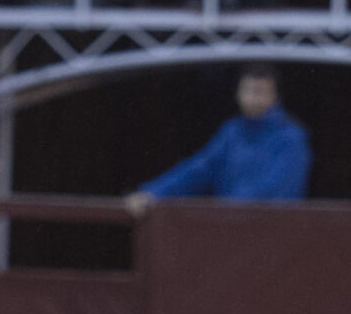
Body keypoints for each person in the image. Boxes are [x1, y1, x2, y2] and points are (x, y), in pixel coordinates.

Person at [123, 65, 310, 208]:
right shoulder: (232, 132)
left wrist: (229, 208)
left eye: (260, 92)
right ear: (238, 94)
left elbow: (280, 189)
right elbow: (199, 169)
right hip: (229, 229)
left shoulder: (291, 137)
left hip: (273, 233)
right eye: (249, 90)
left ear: (274, 97)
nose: (254, 98)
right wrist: (153, 193)